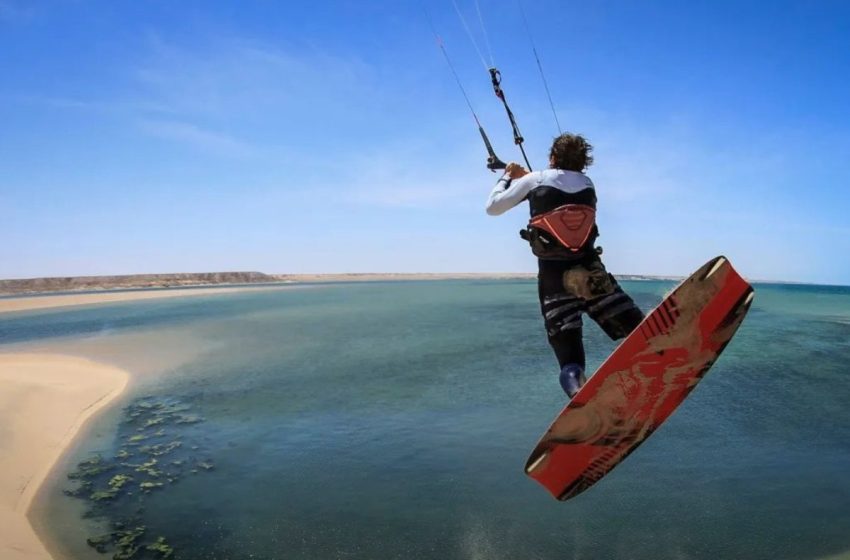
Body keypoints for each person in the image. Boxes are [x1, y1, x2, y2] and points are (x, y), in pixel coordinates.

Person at [485, 133, 644, 397]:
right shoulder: (588, 184)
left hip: (553, 280)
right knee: (637, 329)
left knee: (570, 361)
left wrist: (507, 176)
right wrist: (527, 176)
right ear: (584, 162)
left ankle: (579, 395)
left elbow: (493, 207)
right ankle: (668, 342)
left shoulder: (533, 180)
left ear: (553, 156)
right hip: (592, 274)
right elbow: (556, 184)